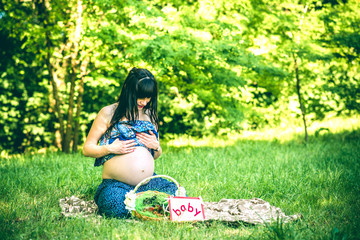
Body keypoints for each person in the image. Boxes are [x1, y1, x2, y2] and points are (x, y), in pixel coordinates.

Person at [83, 67, 178, 218]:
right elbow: (87, 149)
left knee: (175, 194)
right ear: (129, 90)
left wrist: (156, 147)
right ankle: (142, 207)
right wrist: (109, 148)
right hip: (116, 184)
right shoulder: (108, 113)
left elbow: (155, 155)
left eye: (148, 98)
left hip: (147, 184)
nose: (145, 102)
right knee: (115, 205)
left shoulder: (150, 116)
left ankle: (142, 204)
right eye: (141, 97)